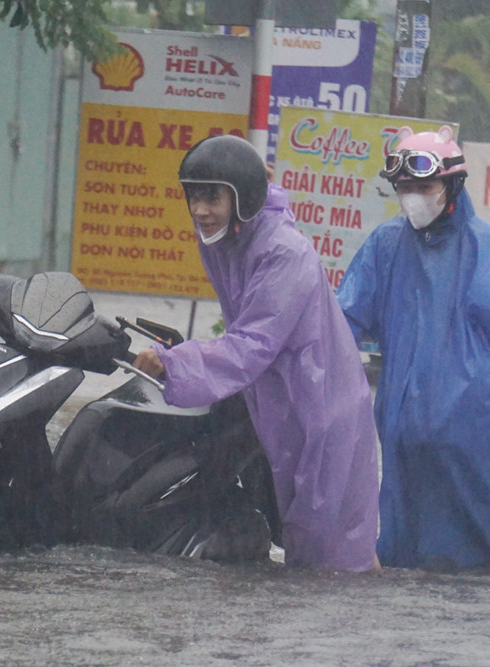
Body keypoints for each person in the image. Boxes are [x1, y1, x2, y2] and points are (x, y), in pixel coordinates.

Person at [336, 125, 490, 573]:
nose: (414, 197)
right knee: (407, 549)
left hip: (477, 434)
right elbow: (340, 321)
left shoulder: (484, 246)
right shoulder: (385, 246)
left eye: (424, 187)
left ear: (451, 185)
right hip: (405, 434)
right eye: (405, 188)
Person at [132, 134, 379, 572]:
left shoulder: (285, 252)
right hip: (279, 402)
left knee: (332, 557)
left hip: (322, 405)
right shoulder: (225, 239)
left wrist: (176, 363)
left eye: (212, 197)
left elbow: (252, 343)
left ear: (243, 199)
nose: (200, 210)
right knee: (304, 543)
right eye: (194, 196)